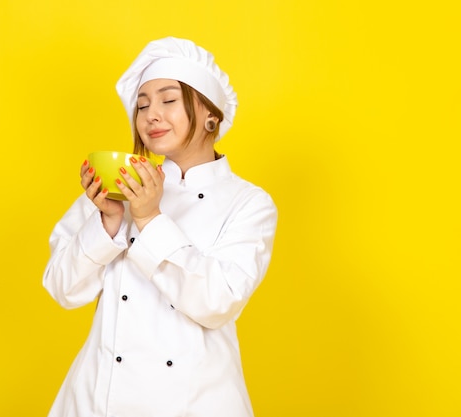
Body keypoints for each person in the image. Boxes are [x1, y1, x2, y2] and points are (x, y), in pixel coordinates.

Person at [43, 36, 278, 417]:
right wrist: (109, 223)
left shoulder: (249, 203)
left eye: (169, 100)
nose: (151, 114)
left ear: (210, 115)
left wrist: (149, 218)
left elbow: (217, 303)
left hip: (195, 404)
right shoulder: (119, 185)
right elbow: (62, 289)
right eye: (143, 104)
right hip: (97, 400)